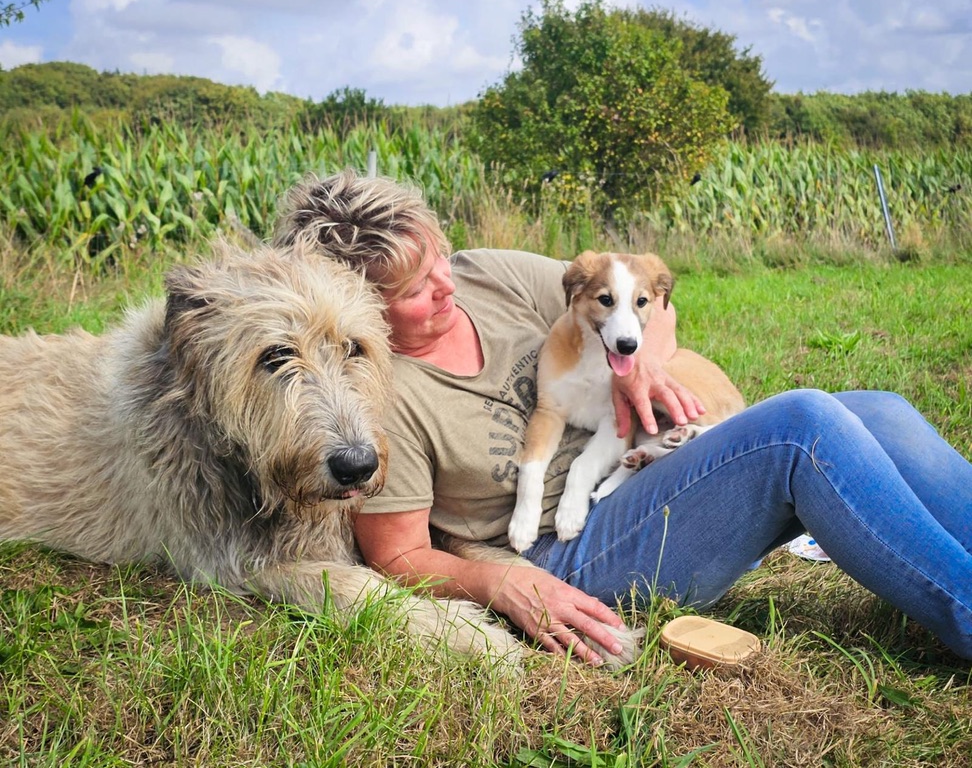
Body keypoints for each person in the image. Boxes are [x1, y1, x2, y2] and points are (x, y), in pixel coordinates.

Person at [273, 169, 972, 667]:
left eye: (440, 260)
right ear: (356, 299)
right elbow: (394, 556)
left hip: (635, 468)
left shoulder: (487, 275)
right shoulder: (373, 394)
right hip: (569, 549)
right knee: (802, 429)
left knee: (879, 410)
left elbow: (642, 301)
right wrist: (501, 582)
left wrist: (642, 367)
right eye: (416, 288)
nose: (446, 284)